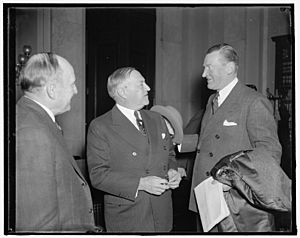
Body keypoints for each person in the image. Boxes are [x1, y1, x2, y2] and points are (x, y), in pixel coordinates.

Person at [189, 43, 291, 232]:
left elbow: (269, 151)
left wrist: (232, 180)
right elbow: (207, 141)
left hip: (234, 203)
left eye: (208, 67)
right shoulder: (213, 99)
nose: (203, 74)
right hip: (206, 197)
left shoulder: (254, 101)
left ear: (229, 68)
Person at [86, 67, 182, 232]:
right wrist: (141, 184)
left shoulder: (156, 119)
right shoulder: (101, 126)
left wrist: (173, 171)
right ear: (123, 92)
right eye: (141, 84)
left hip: (162, 212)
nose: (148, 88)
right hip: (129, 215)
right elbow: (98, 176)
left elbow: (170, 155)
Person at [16, 53, 100, 232]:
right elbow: (38, 224)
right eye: (72, 84)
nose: (76, 90)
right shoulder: (32, 132)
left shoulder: (36, 118)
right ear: (52, 90)